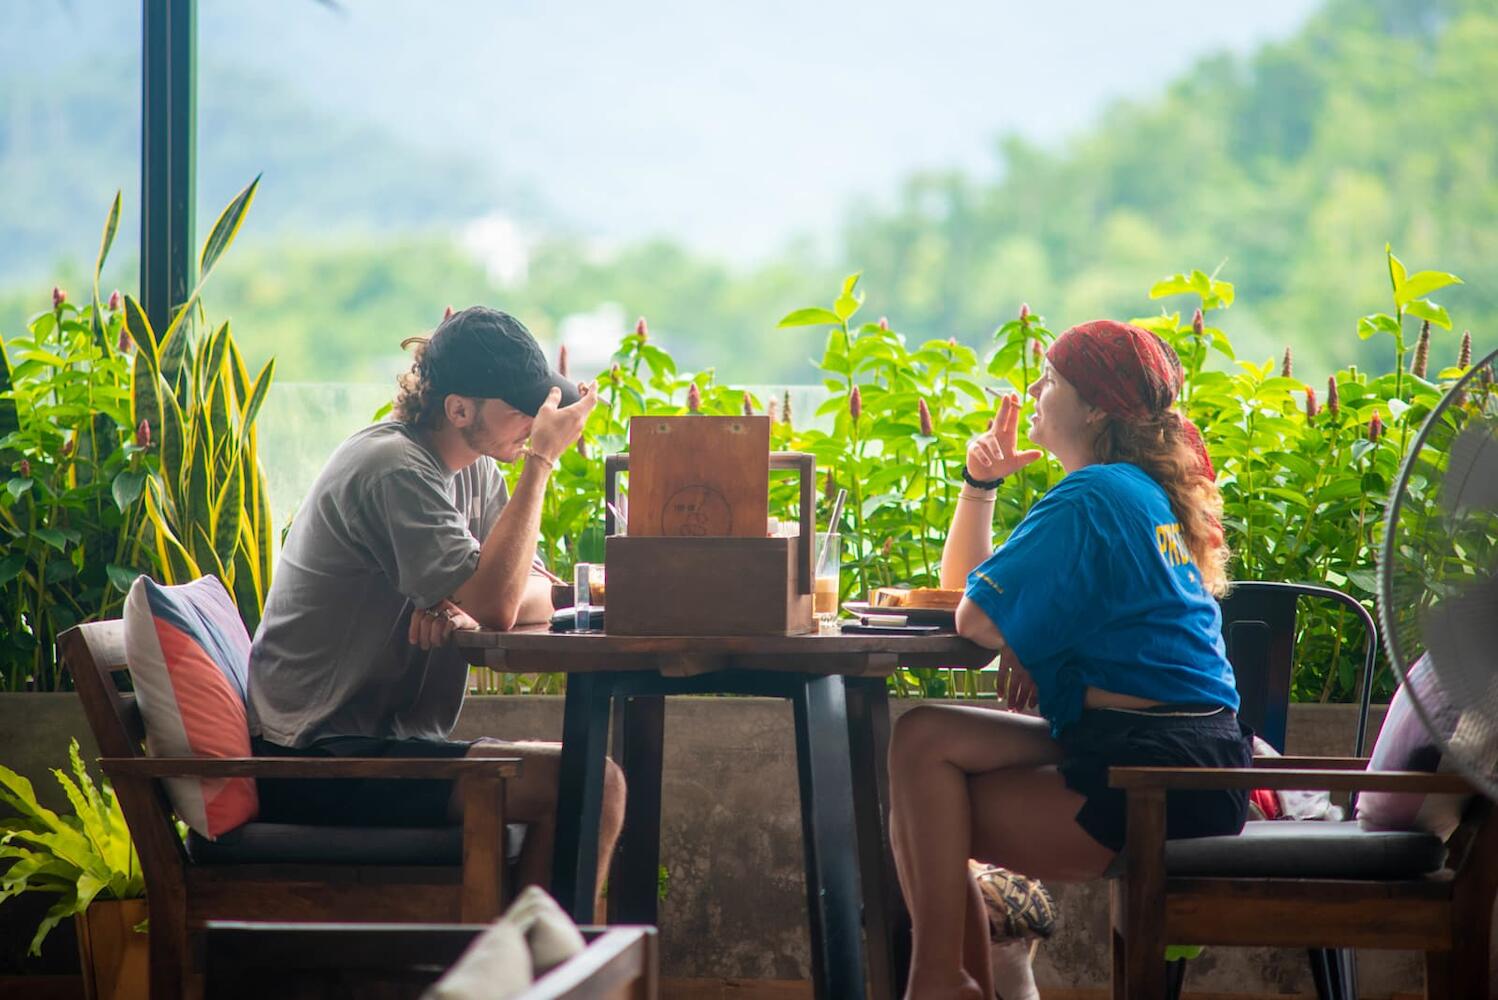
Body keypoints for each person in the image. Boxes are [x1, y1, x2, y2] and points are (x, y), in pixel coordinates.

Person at [889, 320, 1251, 1000]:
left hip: (1153, 772)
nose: (1033, 389)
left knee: (926, 806)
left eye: (1050, 379)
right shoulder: (1133, 489)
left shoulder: (1093, 495)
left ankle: (942, 982)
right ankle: (949, 981)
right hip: (1186, 754)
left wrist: (1022, 636)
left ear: (1094, 409)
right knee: (923, 742)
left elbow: (974, 620)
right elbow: (979, 598)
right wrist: (979, 485)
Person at [246, 306, 626, 911]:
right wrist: (541, 463)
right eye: (520, 410)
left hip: (380, 748)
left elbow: (531, 592)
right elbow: (501, 603)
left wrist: (471, 599)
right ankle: (532, 963)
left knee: (591, 785)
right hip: (317, 760)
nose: (535, 424)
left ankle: (522, 960)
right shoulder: (394, 470)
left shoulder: (474, 472)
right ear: (458, 410)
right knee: (594, 786)